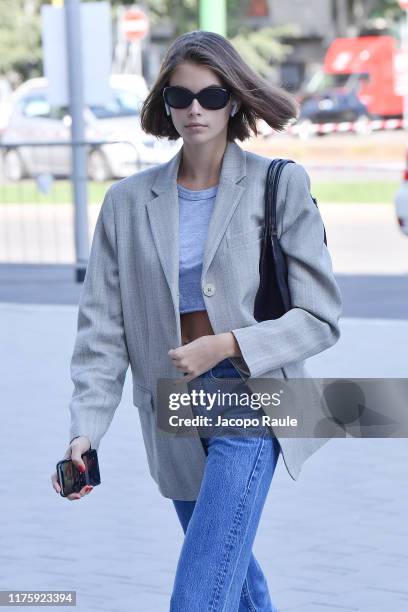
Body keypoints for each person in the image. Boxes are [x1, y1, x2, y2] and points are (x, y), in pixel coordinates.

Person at [51, 30, 342, 611]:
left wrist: (225, 344)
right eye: (179, 98)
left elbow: (320, 316)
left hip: (254, 396)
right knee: (231, 574)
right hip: (173, 404)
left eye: (210, 96)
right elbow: (102, 333)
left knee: (200, 591)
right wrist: (86, 431)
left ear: (233, 99)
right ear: (164, 105)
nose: (194, 110)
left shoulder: (277, 186)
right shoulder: (128, 202)